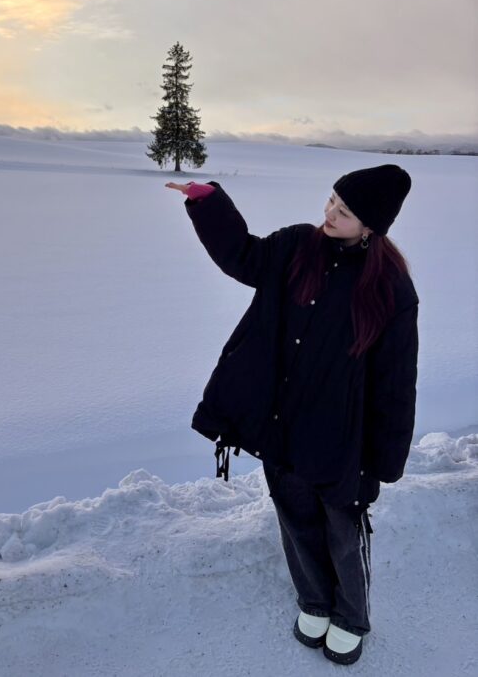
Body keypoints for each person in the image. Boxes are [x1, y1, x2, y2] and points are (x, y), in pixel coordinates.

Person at [166, 164, 419, 666]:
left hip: (341, 437)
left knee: (342, 531)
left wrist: (384, 462)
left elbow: (395, 384)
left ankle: (350, 615)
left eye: (344, 211)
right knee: (294, 517)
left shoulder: (390, 288)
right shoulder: (298, 246)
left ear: (371, 225)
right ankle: (315, 601)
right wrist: (208, 201)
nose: (329, 213)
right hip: (281, 421)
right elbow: (243, 256)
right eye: (330, 200)